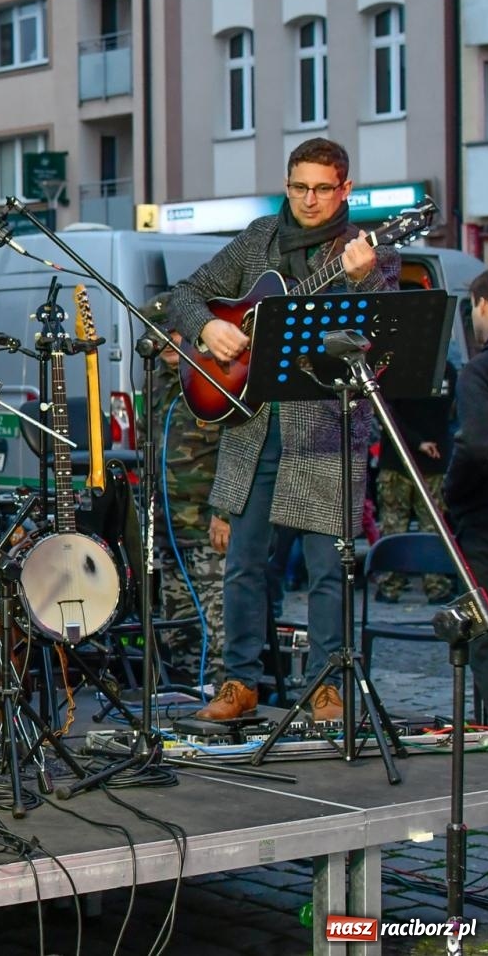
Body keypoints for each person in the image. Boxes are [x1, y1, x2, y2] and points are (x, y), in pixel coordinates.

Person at [167, 138, 399, 723]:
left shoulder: (369, 250)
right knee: (245, 564)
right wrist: (206, 333)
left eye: (323, 189)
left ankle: (327, 687)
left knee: (328, 567)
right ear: (287, 185)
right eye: (300, 187)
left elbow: (386, 343)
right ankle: (239, 684)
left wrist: (365, 281)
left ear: (345, 189)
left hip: (326, 429)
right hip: (255, 427)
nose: (310, 200)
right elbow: (186, 294)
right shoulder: (258, 238)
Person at [144, 294, 229, 691]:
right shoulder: (155, 383)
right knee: (177, 619)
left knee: (220, 617)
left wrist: (226, 511)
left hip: (209, 523)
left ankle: (224, 689)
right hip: (167, 525)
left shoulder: (217, 379)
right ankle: (183, 692)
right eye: (162, 333)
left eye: (179, 331)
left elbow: (237, 449)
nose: (171, 341)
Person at [372, 361, 457, 604]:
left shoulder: (396, 368)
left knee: (393, 524)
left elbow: (385, 411)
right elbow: (450, 412)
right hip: (435, 457)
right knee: (433, 526)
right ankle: (436, 584)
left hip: (397, 458)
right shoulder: (447, 369)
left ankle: (391, 584)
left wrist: (414, 441)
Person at [446, 272, 488, 705]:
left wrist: (452, 495)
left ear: (482, 305)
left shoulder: (479, 371)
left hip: (484, 519)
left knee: (486, 633)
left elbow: (475, 444)